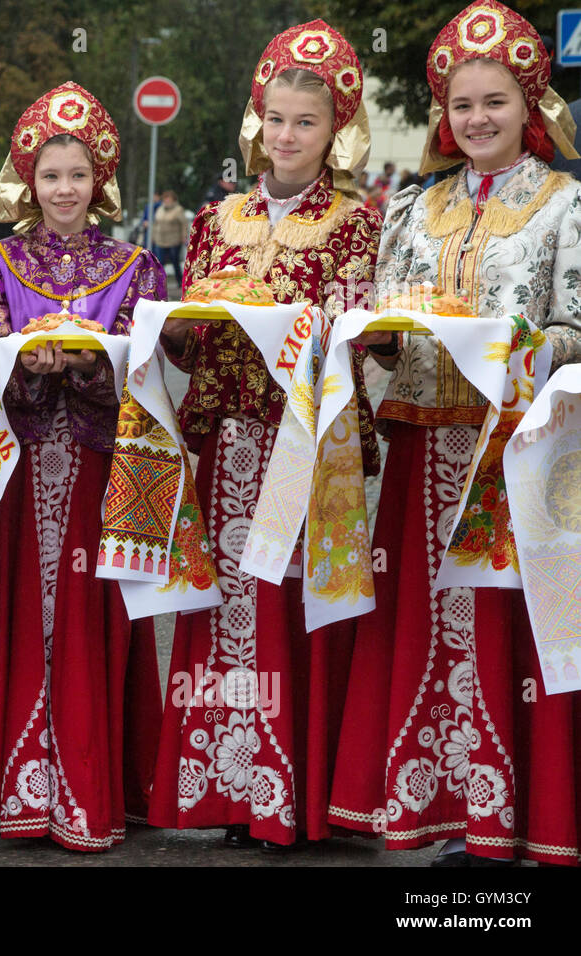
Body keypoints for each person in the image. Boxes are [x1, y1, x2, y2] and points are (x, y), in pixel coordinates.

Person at [329, 0, 581, 867]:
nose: (477, 119)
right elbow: (388, 323)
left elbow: (579, 330)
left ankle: (515, 821)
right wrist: (378, 335)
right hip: (421, 451)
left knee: (505, 632)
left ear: (532, 107)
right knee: (425, 629)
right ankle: (446, 812)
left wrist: (526, 346)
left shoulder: (564, 206)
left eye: (496, 103)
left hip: (516, 459)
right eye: (463, 104)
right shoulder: (410, 206)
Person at [152, 19, 382, 850]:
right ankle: (228, 789)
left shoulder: (355, 224)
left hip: (303, 449)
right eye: (275, 119)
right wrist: (169, 334)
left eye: (306, 123)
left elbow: (360, 336)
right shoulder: (218, 219)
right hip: (224, 447)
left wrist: (315, 327)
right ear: (257, 121)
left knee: (289, 607)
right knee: (226, 606)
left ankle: (296, 795)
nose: (287, 136)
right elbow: (189, 340)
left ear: (337, 133)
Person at [0, 81, 166, 851]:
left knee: (92, 622)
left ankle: (91, 789)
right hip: (18, 473)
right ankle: (22, 794)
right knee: (23, 616)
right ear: (26, 179)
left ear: (101, 179)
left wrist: (84, 367)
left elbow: (145, 374)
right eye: (50, 175)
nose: (64, 189)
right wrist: (32, 365)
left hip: (99, 472)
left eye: (78, 174)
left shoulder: (137, 267)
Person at [152, 189, 189, 290]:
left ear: (173, 199)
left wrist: (184, 236)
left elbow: (184, 224)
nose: (167, 201)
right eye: (165, 198)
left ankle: (179, 282)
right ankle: (159, 283)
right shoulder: (160, 209)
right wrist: (153, 237)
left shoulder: (178, 210)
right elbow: (155, 224)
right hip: (160, 240)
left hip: (174, 241)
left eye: (169, 199)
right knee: (160, 263)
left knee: (175, 262)